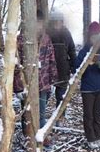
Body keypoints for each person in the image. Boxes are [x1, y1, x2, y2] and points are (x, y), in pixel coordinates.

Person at [14, 10, 58, 138]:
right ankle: (28, 138)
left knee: (41, 113)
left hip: (43, 84)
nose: (38, 26)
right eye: (35, 22)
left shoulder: (46, 39)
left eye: (40, 23)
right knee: (27, 113)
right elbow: (15, 65)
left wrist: (53, 80)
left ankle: (41, 137)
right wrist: (18, 88)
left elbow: (51, 60)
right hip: (26, 84)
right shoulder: (20, 40)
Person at [76, 21, 100, 149]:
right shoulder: (83, 52)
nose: (95, 39)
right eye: (93, 37)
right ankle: (90, 138)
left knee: (97, 114)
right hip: (87, 88)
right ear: (89, 37)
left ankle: (97, 136)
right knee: (88, 114)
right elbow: (77, 69)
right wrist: (86, 65)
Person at [47, 10, 76, 125]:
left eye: (59, 22)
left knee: (61, 95)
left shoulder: (66, 33)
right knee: (46, 94)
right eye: (55, 22)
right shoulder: (47, 33)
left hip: (63, 69)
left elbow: (72, 50)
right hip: (48, 69)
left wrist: (74, 66)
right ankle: (41, 117)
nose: (57, 24)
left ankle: (60, 117)